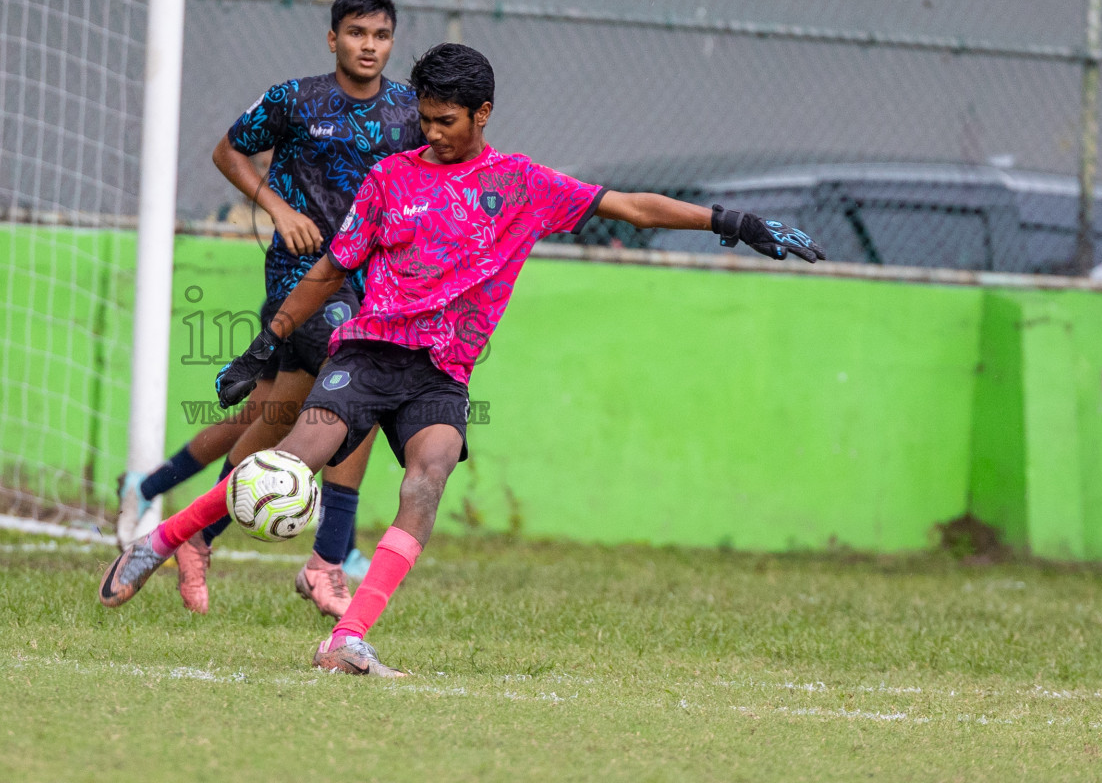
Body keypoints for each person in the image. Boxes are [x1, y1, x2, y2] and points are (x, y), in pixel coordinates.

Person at [98, 42, 825, 675]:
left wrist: (736, 223)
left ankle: (347, 638)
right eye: (426, 120)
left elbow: (630, 207)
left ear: (483, 114)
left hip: (442, 374)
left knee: (430, 474)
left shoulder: (522, 185)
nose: (432, 133)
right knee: (292, 459)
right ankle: (161, 539)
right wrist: (269, 339)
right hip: (371, 352)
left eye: (447, 121)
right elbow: (329, 269)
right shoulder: (391, 180)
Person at [116, 0, 424, 617]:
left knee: (278, 415)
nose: (369, 46)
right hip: (301, 279)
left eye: (381, 36)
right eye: (357, 33)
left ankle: (198, 532)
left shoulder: (408, 111)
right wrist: (280, 210)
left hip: (373, 284)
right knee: (355, 380)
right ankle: (327, 561)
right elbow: (227, 150)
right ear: (332, 37)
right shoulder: (295, 99)